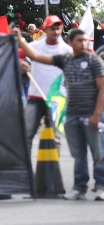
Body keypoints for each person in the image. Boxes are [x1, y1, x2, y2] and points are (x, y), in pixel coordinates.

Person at [19, 28, 104, 200]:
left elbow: (102, 88)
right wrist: (20, 40)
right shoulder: (65, 59)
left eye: (85, 40)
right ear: (71, 43)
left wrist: (97, 114)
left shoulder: (94, 61)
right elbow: (37, 57)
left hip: (91, 113)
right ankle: (79, 187)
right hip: (71, 114)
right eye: (79, 40)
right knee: (78, 153)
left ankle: (101, 185)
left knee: (98, 153)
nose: (84, 43)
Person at [22, 15, 72, 156]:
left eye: (58, 28)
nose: (55, 32)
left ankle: (53, 172)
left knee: (54, 138)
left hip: (55, 99)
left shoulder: (67, 50)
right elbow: (16, 53)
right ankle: (25, 174)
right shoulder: (36, 46)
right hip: (35, 97)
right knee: (26, 135)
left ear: (62, 29)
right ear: (45, 29)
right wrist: (21, 62)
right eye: (52, 29)